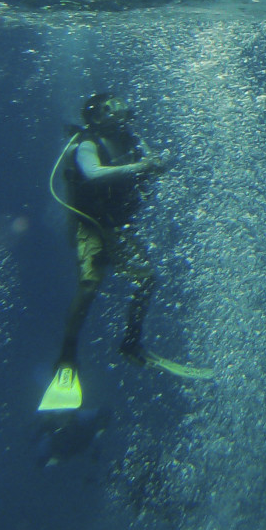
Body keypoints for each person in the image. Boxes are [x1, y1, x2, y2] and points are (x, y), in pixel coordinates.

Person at [38, 92, 199, 413]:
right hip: (91, 226)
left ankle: (131, 342)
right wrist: (142, 166)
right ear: (97, 116)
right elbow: (93, 174)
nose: (121, 107)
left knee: (147, 279)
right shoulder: (88, 143)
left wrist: (156, 164)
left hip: (118, 226)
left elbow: (153, 165)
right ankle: (67, 358)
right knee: (89, 283)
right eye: (112, 105)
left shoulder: (131, 138)